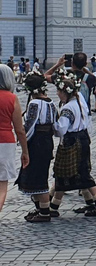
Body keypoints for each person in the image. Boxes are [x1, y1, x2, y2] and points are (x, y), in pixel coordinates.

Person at [50, 76, 96, 217]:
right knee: (81, 171)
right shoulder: (79, 102)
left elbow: (61, 129)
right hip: (83, 138)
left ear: (65, 92)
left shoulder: (68, 108)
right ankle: (94, 202)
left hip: (71, 141)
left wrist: (52, 124)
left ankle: (53, 207)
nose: (57, 94)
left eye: (59, 91)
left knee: (64, 173)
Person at [15, 71, 57, 222]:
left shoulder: (34, 103)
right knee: (41, 172)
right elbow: (53, 123)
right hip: (47, 141)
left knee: (38, 176)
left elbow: (30, 126)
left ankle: (44, 212)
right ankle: (41, 208)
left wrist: (23, 140)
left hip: (37, 141)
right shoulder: (50, 102)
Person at [0, 65, 30, 213]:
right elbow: (20, 129)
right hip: (5, 142)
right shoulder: (12, 99)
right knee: (1, 185)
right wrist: (25, 151)